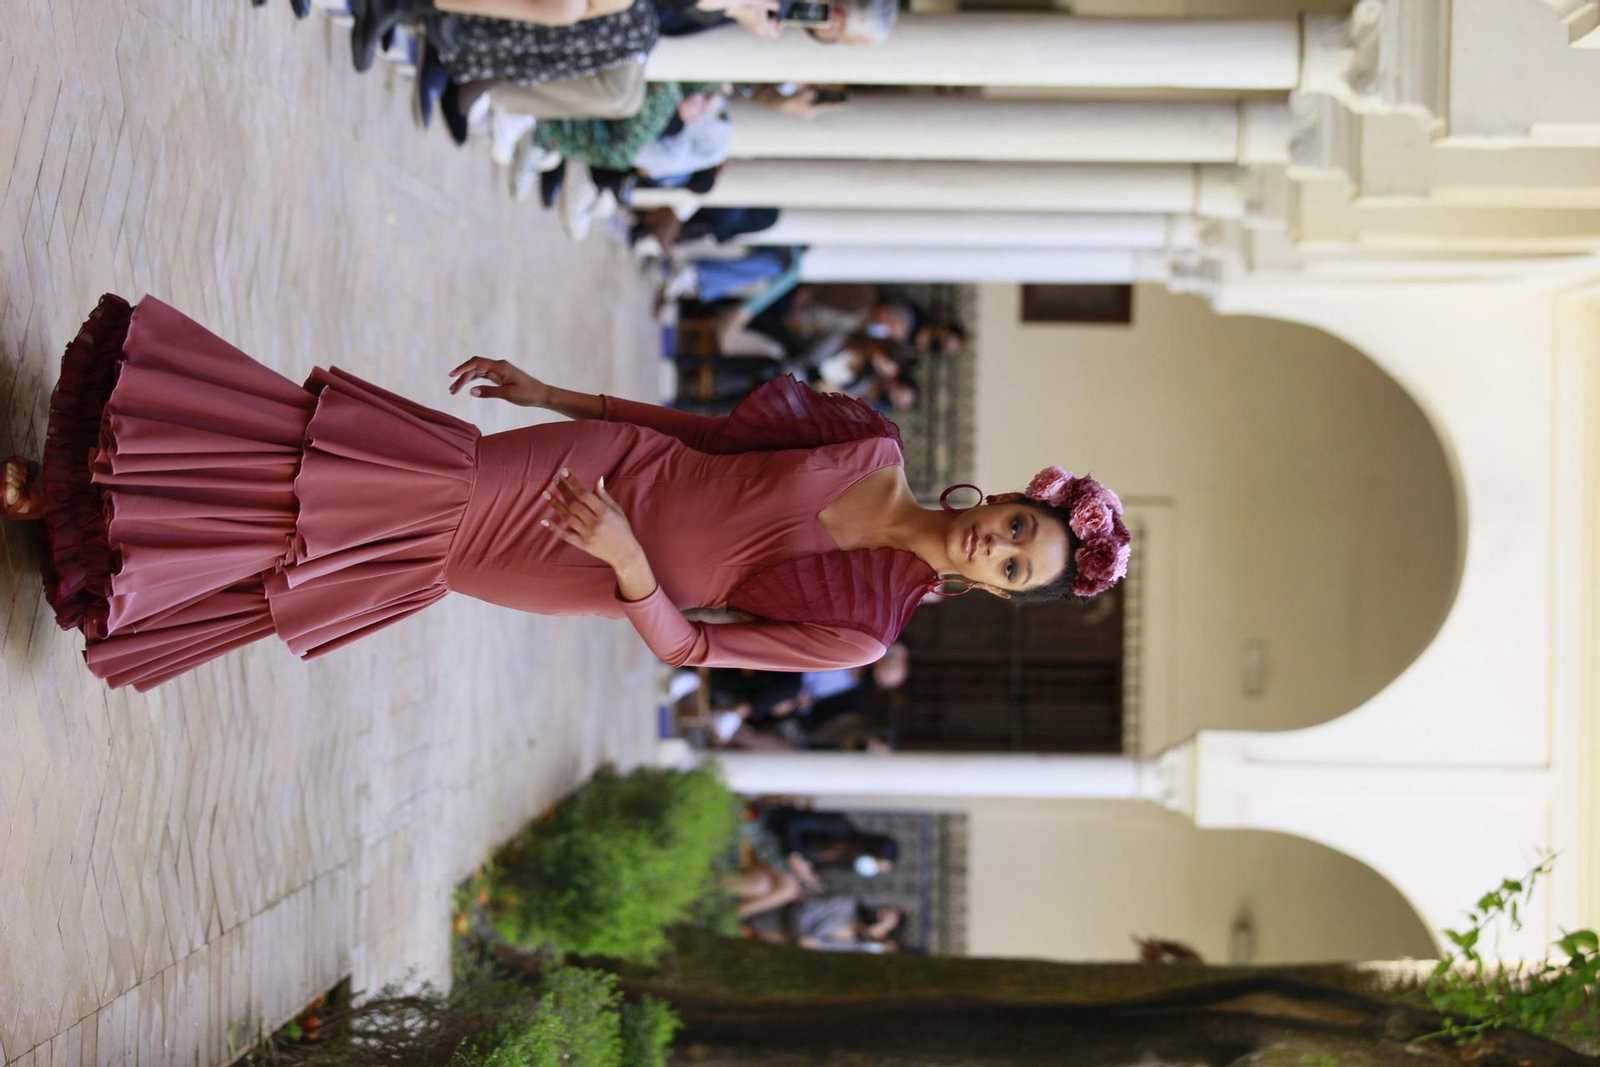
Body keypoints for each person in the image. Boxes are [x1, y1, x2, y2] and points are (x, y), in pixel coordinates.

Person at [4, 295, 1129, 691]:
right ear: (1013, 498)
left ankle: (112, 517)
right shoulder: (869, 440)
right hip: (585, 471)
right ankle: (91, 491)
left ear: (995, 586)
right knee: (359, 483)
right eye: (1019, 525)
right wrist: (557, 389)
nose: (999, 542)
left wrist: (632, 566)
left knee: (365, 537)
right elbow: (709, 432)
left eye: (1014, 563)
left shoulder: (855, 632)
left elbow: (692, 651)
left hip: (583, 561)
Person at [760, 805, 899, 890]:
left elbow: (808, 865)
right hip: (770, 830)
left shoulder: (843, 861)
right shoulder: (841, 827)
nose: (871, 868)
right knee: (785, 887)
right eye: (875, 863)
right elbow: (793, 825)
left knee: (780, 886)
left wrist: (810, 877)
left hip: (777, 855)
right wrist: (794, 856)